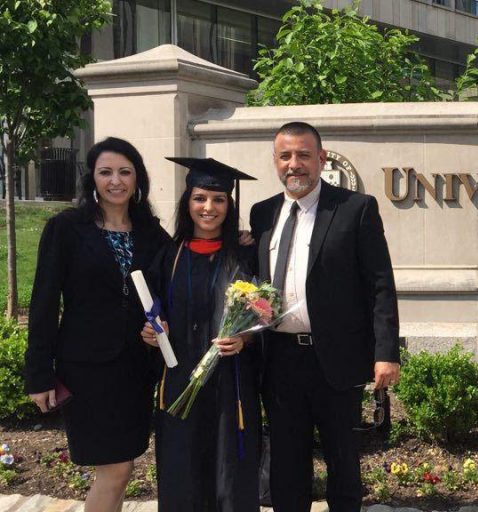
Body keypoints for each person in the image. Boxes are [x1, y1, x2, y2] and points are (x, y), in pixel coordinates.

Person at [249, 122, 401, 512]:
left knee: (343, 462)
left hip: (336, 358)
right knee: (286, 462)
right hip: (279, 360)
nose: (294, 164)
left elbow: (380, 284)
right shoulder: (262, 214)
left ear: (321, 158)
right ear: (275, 161)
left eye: (303, 155)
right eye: (285, 156)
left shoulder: (355, 209)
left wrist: (386, 352)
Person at [24, 137, 170, 512]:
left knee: (124, 465)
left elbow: (177, 276)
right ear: (92, 178)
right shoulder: (67, 228)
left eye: (125, 172)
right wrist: (39, 373)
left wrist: (239, 242)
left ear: (138, 179)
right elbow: (43, 302)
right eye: (106, 172)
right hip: (86, 368)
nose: (116, 181)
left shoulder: (150, 231)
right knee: (117, 469)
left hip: (135, 368)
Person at [140, 157, 261, 511]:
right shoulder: (167, 256)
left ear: (229, 205)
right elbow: (153, 313)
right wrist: (150, 331)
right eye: (200, 198)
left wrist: (246, 338)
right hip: (179, 381)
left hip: (231, 383)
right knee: (182, 472)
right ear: (187, 203)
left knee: (230, 474)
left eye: (218, 199)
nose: (208, 208)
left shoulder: (245, 256)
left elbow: (262, 317)